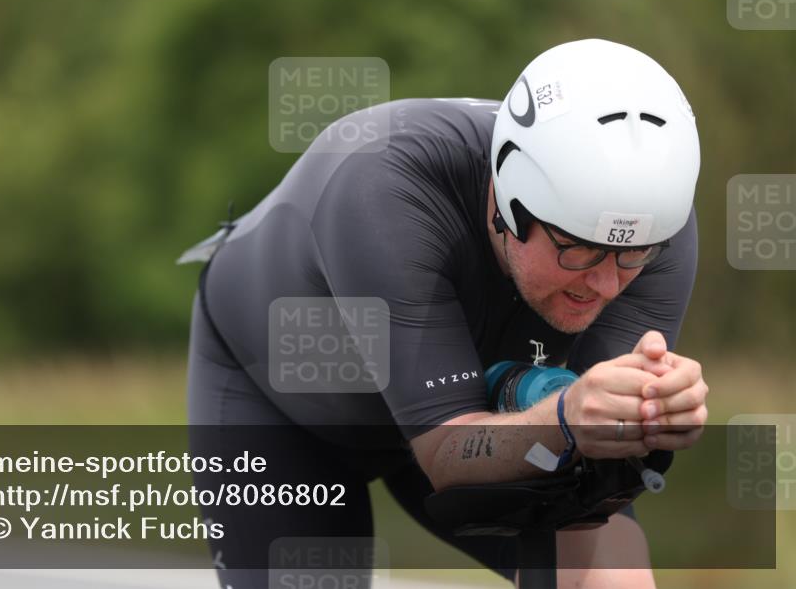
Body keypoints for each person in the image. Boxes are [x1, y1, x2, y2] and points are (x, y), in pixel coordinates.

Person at [183, 39, 709, 589]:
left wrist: (647, 415)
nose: (606, 283)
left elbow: (588, 483)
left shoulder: (657, 225)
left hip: (473, 406)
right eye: (578, 249)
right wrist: (564, 416)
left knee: (612, 576)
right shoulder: (386, 188)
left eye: (631, 256)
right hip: (284, 409)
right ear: (511, 204)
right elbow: (447, 451)